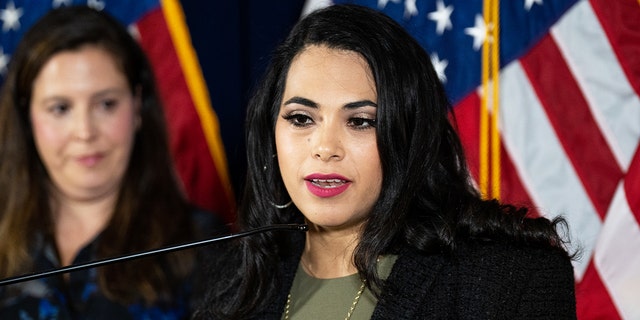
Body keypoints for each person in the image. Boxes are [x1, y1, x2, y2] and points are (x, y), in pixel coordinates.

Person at [193, 4, 577, 320]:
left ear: (409, 137)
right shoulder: (230, 284)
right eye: (301, 118)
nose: (325, 148)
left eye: (360, 122)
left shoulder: (511, 280)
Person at [0, 6, 226, 319]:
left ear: (137, 107)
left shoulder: (204, 248)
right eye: (60, 108)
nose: (85, 132)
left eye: (106, 104)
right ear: (27, 116)